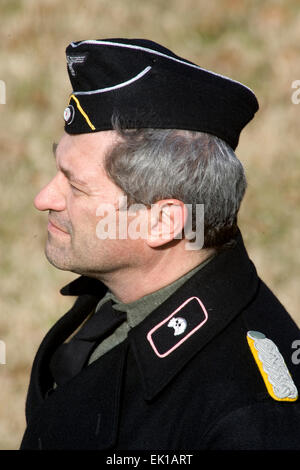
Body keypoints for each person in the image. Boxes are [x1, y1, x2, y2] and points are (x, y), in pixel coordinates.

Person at [20, 38, 300, 451]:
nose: (43, 198)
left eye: (76, 186)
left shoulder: (247, 420)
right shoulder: (123, 294)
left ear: (163, 221)